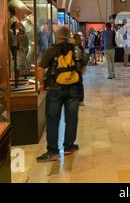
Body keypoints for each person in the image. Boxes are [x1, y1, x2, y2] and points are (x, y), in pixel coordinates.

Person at [35, 26, 88, 163]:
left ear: (57, 36)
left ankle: (53, 151)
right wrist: (76, 76)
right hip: (73, 89)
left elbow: (40, 68)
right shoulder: (76, 49)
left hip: (55, 88)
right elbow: (83, 66)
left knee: (53, 119)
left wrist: (41, 85)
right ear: (68, 35)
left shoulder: (51, 50)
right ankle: (69, 146)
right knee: (71, 118)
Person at [72, 33, 87, 107]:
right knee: (79, 84)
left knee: (78, 84)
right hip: (79, 68)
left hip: (77, 69)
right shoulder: (79, 47)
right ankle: (80, 100)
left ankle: (80, 100)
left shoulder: (76, 48)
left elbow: (77, 59)